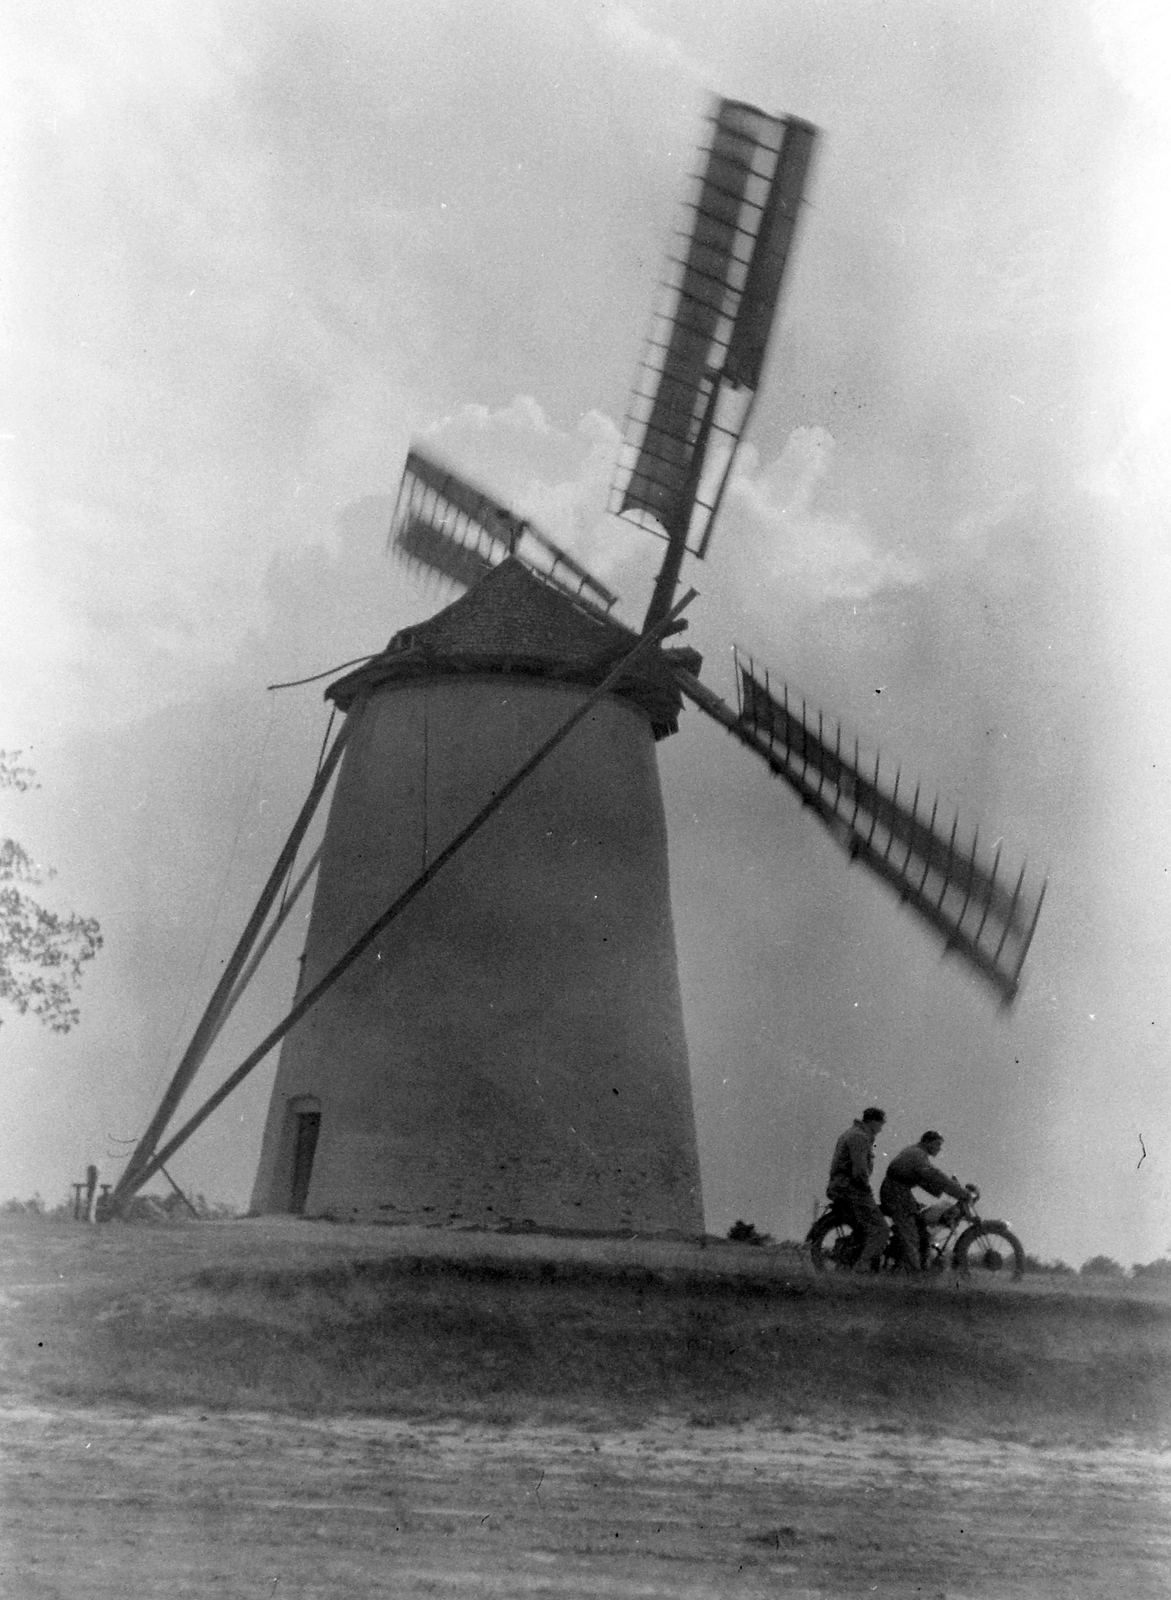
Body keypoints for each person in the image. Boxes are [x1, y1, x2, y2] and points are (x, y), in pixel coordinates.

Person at [879, 1131, 970, 1271]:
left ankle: (918, 1267)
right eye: (937, 1144)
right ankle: (913, 1273)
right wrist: (960, 1193)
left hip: (899, 1192)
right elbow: (935, 1176)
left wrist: (951, 1188)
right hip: (896, 1194)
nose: (939, 1148)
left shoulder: (916, 1152)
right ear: (927, 1142)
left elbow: (928, 1179)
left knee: (921, 1230)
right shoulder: (918, 1155)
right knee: (911, 1236)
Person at [826, 1107, 890, 1271]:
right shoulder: (859, 1137)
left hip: (841, 1186)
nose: (881, 1129)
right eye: (881, 1124)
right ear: (873, 1122)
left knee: (866, 1224)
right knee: (881, 1229)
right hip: (850, 1188)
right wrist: (867, 1189)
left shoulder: (853, 1133)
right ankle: (862, 1266)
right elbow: (860, 1170)